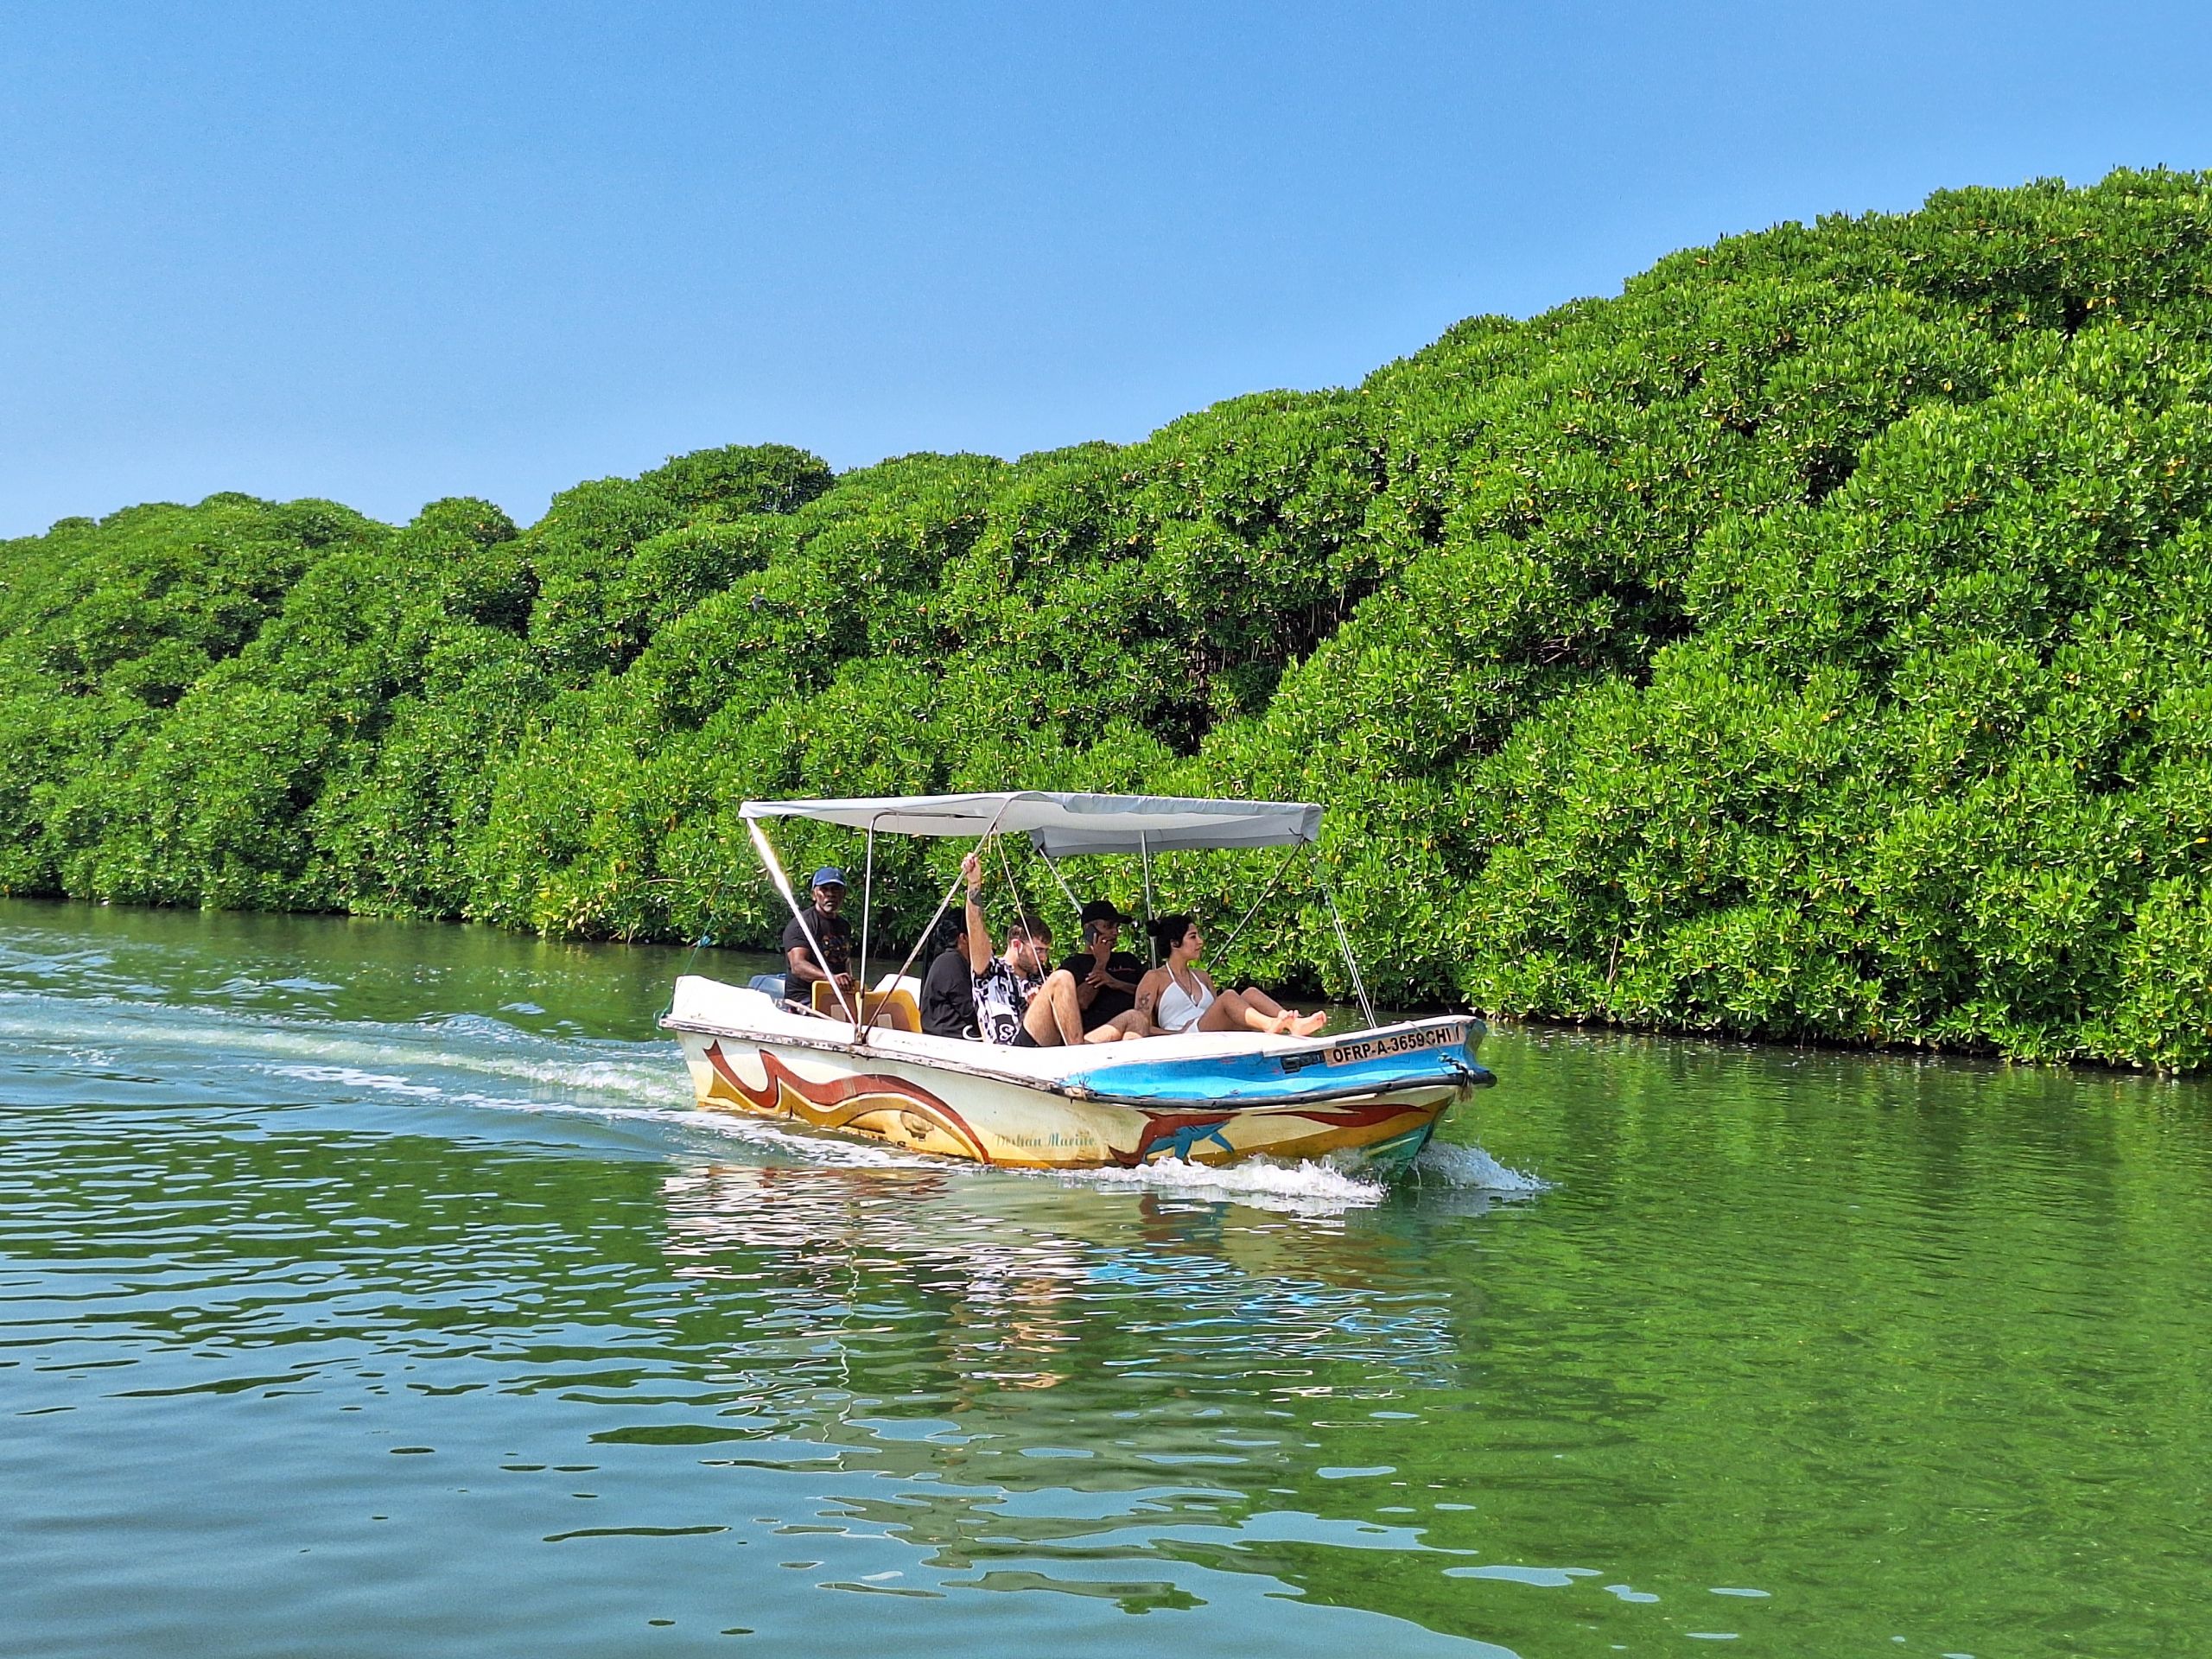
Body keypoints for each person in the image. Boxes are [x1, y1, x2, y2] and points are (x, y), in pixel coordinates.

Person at [961, 851, 1147, 1046]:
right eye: (1039, 950)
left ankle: (1126, 1073)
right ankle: (1079, 1060)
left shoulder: (1040, 975)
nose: (1043, 958)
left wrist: (1040, 1005)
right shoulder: (991, 971)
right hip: (1013, 1051)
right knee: (1062, 977)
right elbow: (976, 934)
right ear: (1017, 945)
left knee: (1136, 1019)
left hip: (1051, 1047)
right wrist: (974, 886)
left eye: (1046, 951)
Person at [1133, 914, 1328, 1038]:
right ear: (1174, 943)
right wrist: (1175, 1034)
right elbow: (1140, 1025)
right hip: (1186, 1035)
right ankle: (1270, 1025)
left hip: (1213, 1032)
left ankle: (1294, 1024)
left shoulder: (1202, 977)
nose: (1200, 942)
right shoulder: (1154, 978)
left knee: (1250, 992)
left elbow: (1221, 1012)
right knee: (1228, 997)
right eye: (1193, 937)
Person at [1058, 899, 1145, 1026]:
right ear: (1089, 929)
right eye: (1108, 926)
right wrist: (1100, 964)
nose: (1115, 932)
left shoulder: (1128, 959)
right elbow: (1081, 1002)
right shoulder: (1072, 965)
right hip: (1096, 1036)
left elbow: (1148, 993)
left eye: (1117, 927)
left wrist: (1117, 984)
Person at [782, 866, 855, 1012]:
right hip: (803, 998)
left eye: (835, 889)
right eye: (824, 889)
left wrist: (849, 983)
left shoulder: (844, 926)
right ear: (814, 894)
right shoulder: (802, 924)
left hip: (835, 995)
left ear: (843, 894)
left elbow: (844, 960)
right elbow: (798, 966)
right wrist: (831, 978)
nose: (830, 894)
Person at [918, 912, 977, 1039]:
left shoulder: (951, 960)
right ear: (964, 938)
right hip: (948, 1038)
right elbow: (970, 1011)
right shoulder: (951, 962)